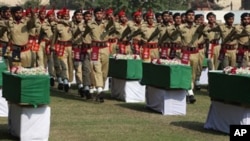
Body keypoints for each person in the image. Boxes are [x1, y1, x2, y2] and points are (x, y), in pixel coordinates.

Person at [82, 7, 114, 102]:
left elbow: (113, 26)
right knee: (97, 69)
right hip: (95, 48)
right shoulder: (90, 24)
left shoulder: (106, 23)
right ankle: (100, 90)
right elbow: (85, 34)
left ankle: (100, 88)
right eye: (97, 13)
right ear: (94, 14)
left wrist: (112, 19)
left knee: (104, 71)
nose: (99, 15)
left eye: (101, 13)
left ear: (103, 15)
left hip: (105, 48)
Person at [178, 9, 205, 104]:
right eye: (189, 15)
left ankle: (188, 92)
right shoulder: (181, 27)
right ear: (185, 17)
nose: (191, 17)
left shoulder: (198, 27)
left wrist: (203, 25)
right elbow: (177, 39)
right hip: (185, 53)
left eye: (192, 15)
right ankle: (190, 93)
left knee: (193, 75)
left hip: (195, 53)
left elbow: (202, 31)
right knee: (186, 73)